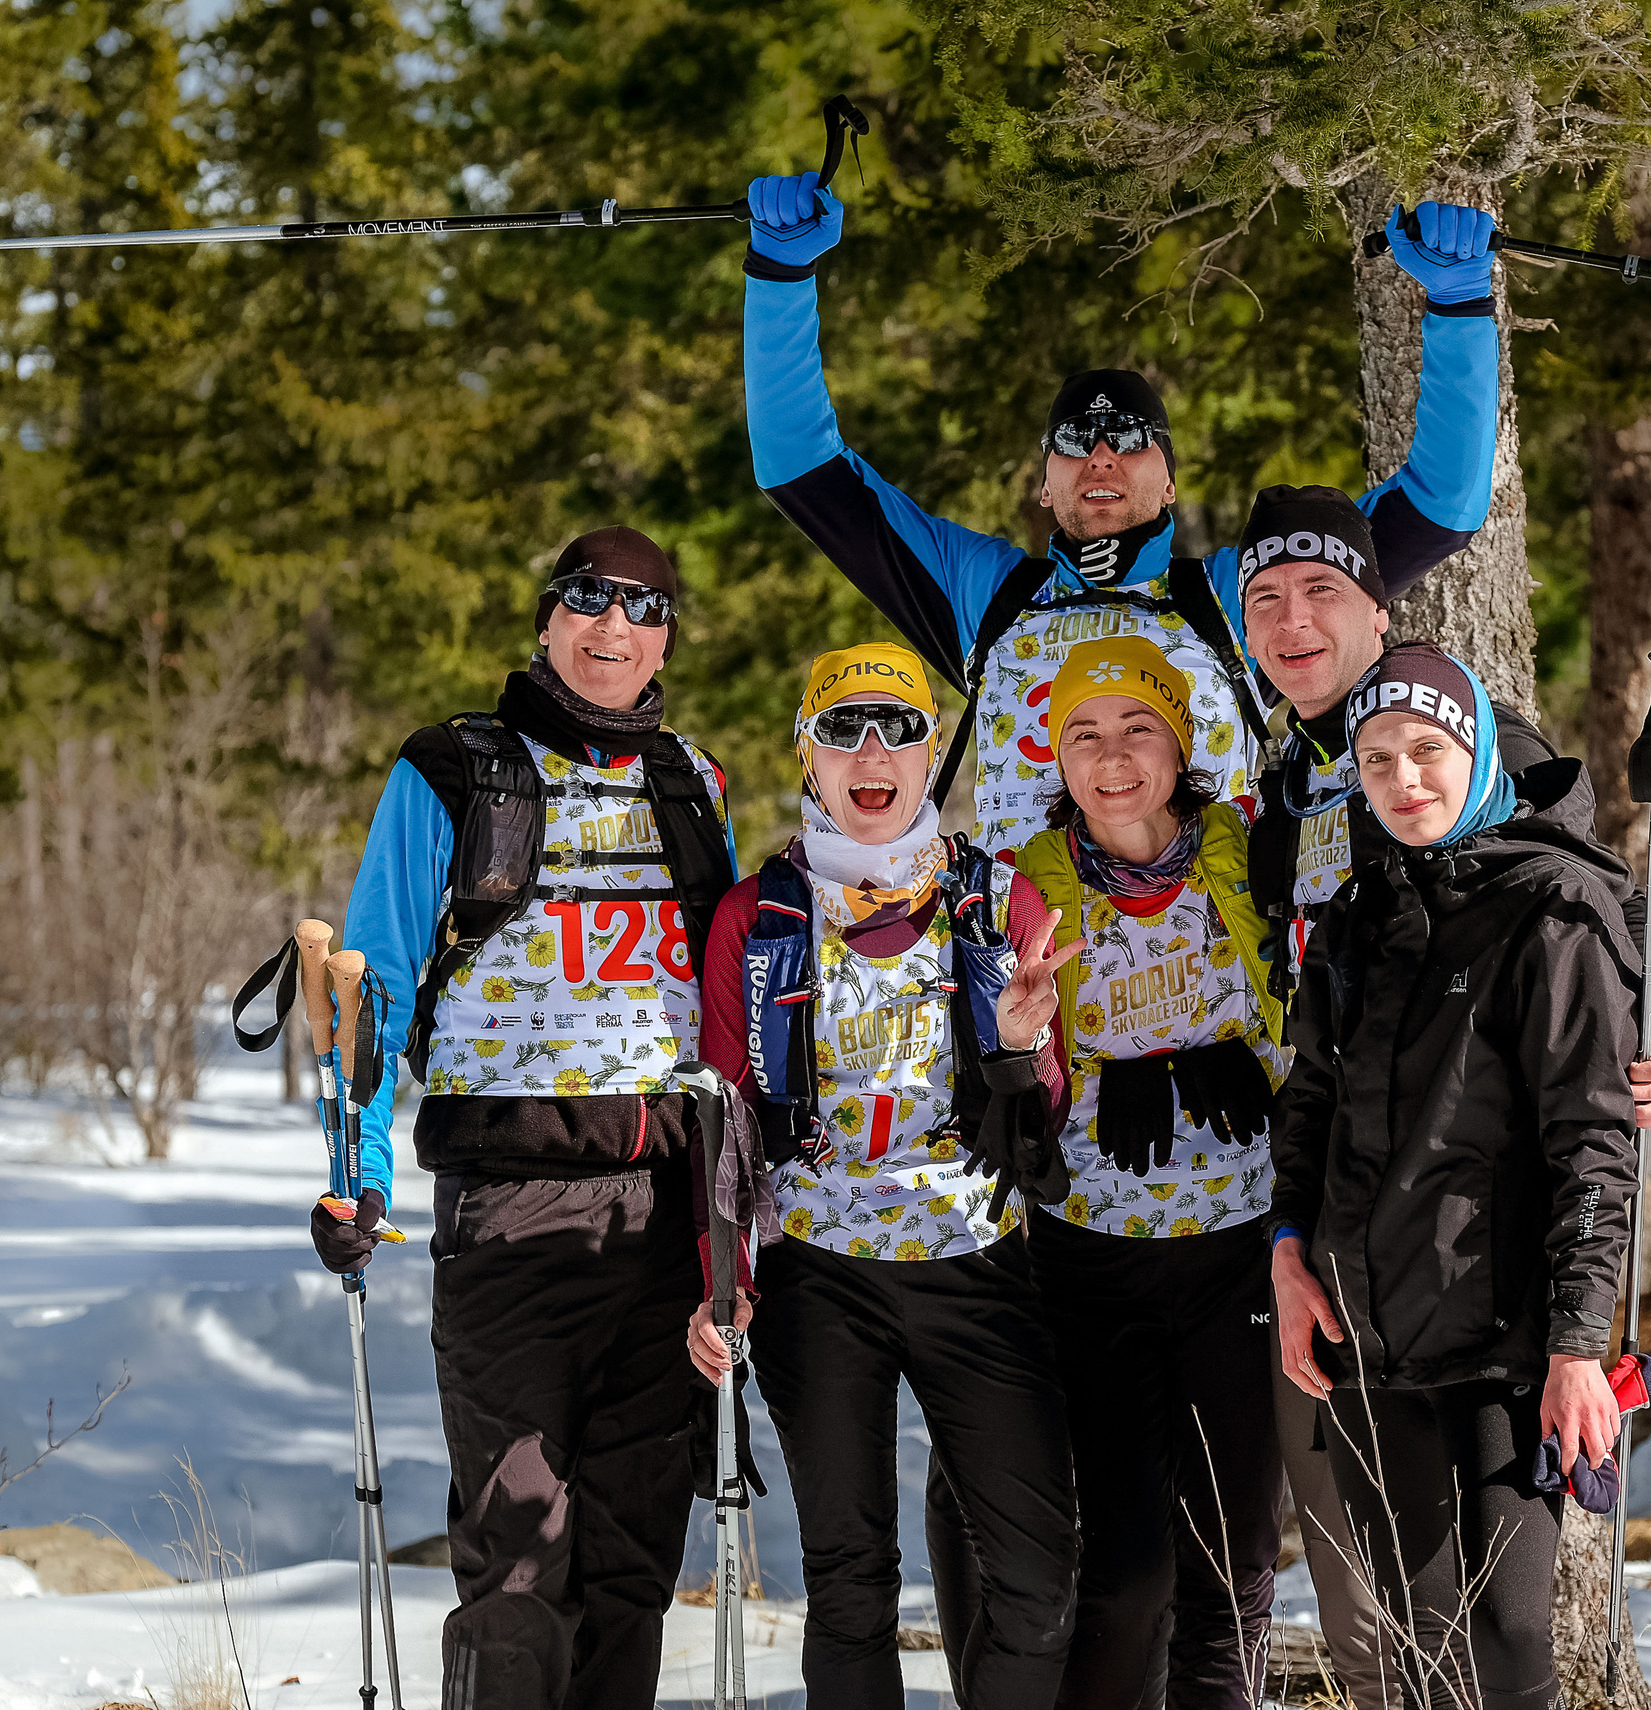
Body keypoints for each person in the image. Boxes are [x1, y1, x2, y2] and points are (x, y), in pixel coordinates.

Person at [1238, 486, 1651, 1708]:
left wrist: (1580, 1347)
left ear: (1477, 749)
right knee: (1421, 1651)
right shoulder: (1355, 916)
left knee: (1507, 1650)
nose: (1401, 776)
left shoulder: (1553, 904)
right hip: (1371, 1337)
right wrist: (1287, 1253)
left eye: (1426, 750)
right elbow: (1310, 1105)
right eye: (1377, 760)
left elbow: (1592, 1140)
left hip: (1505, 1339)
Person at [740, 171, 1506, 857]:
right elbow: (803, 475)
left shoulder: (1244, 595)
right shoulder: (986, 596)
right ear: (1044, 483)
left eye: (1132, 439)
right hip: (1037, 994)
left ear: (1169, 482)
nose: (1101, 455)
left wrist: (1460, 301)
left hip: (1216, 990)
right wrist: (778, 276)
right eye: (1074, 441)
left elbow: (1440, 508)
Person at [320, 526, 740, 1710]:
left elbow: (722, 995)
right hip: (510, 1209)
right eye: (590, 603)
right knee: (517, 1547)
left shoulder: (691, 777)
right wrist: (354, 1174)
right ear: (547, 620)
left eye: (645, 608)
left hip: (662, 1217)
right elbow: (376, 977)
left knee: (632, 1553)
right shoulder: (453, 766)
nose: (616, 629)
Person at [684, 642, 1081, 1707]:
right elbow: (727, 1120)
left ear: (929, 754)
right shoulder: (755, 915)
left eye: (899, 728)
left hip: (978, 1261)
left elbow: (1043, 1123)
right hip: (821, 1275)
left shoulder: (997, 901)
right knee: (850, 1582)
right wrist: (725, 1281)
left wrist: (1015, 1048)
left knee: (1039, 1578)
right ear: (806, 754)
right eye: (843, 728)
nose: (872, 752)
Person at [1008, 635, 1289, 1707]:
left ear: (1179, 744)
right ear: (1057, 758)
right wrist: (1016, 1048)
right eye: (1084, 733)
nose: (1111, 755)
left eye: (1137, 728)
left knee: (1231, 1562)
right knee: (1125, 1575)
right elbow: (993, 1084)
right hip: (1092, 1262)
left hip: (1243, 1252)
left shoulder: (1251, 848)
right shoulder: (1023, 887)